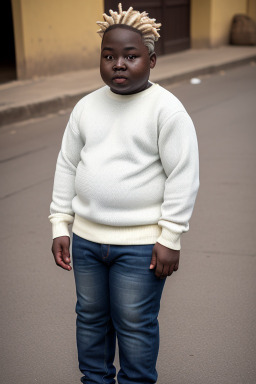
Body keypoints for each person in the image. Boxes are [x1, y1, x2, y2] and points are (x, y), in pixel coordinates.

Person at [49, 3, 199, 384]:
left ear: (151, 60)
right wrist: (60, 226)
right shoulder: (85, 108)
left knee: (134, 324)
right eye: (109, 56)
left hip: (141, 246)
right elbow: (67, 166)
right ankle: (95, 380)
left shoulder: (167, 110)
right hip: (86, 240)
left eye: (130, 56)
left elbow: (183, 175)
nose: (118, 64)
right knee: (90, 320)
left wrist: (170, 237)